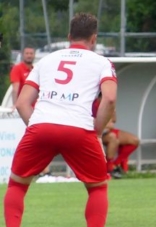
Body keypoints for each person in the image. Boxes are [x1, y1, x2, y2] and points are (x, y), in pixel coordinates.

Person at [3, 13, 117, 227]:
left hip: (41, 126)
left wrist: (38, 127)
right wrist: (98, 132)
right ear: (94, 38)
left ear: (68, 36)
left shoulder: (46, 60)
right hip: (79, 129)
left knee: (17, 185)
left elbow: (21, 103)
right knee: (97, 188)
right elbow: (109, 99)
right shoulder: (102, 63)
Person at [92, 94, 140, 178]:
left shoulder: (109, 104)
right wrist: (106, 123)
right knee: (113, 138)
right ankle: (109, 168)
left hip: (107, 131)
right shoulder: (92, 105)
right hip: (94, 132)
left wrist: (113, 111)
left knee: (135, 140)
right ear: (99, 98)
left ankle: (116, 164)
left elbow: (113, 121)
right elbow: (92, 122)